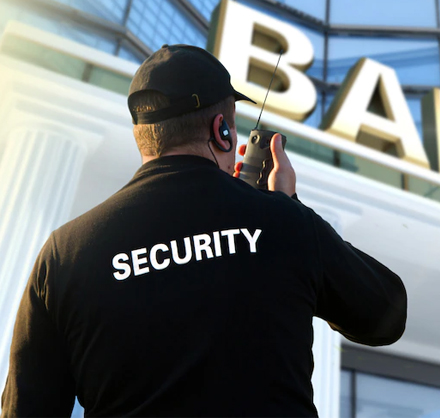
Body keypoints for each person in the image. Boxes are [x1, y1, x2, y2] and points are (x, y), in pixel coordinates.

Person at [1, 44, 407, 417]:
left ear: (142, 136)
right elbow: (385, 315)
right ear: (222, 130)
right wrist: (288, 206)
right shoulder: (286, 223)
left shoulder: (65, 252)